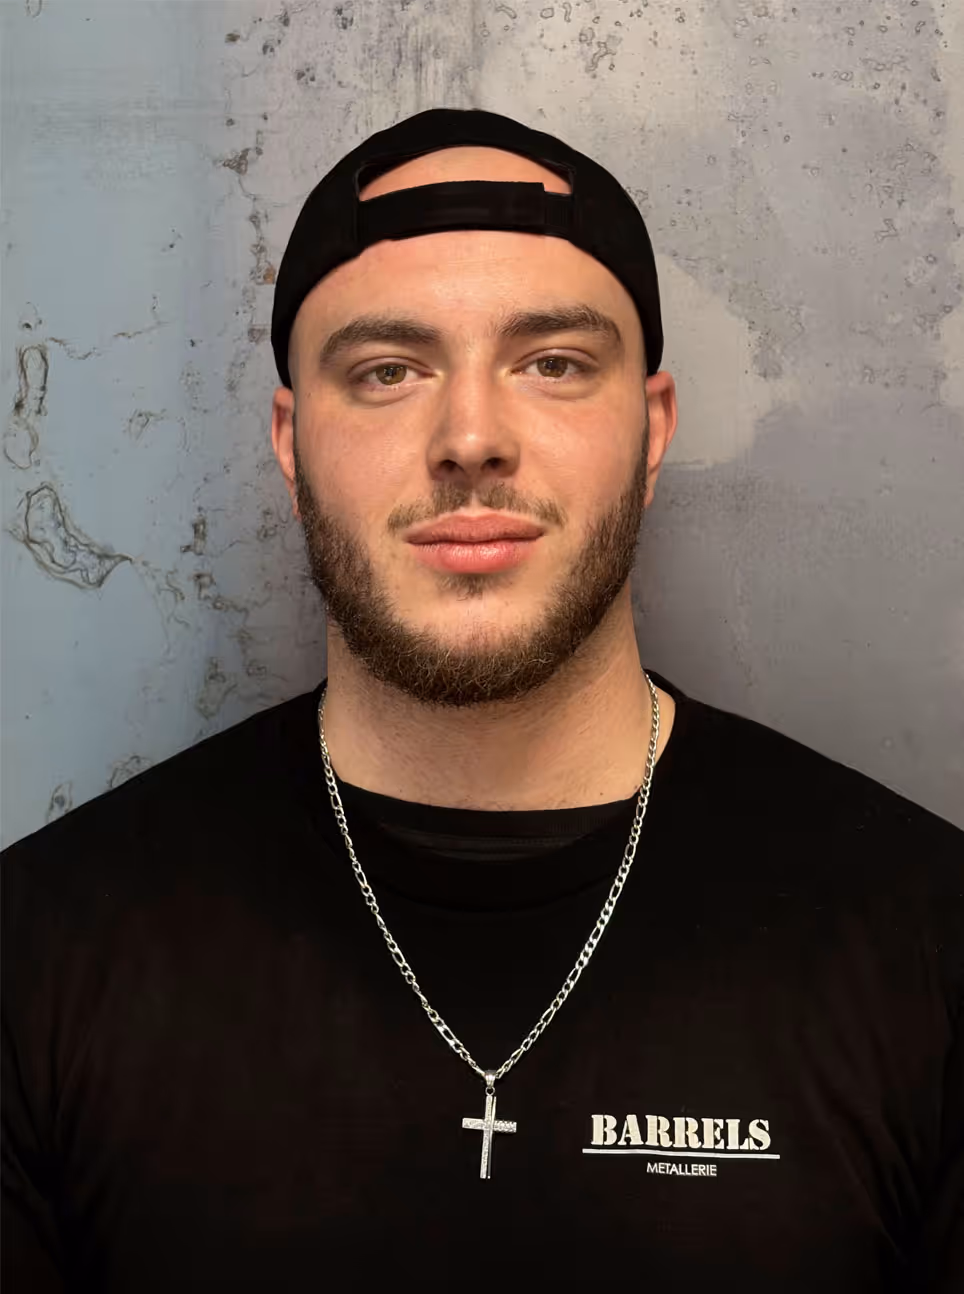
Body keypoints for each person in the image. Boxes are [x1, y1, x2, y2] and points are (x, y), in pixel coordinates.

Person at [2, 109, 961, 1293]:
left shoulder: (926, 942)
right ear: (293, 443)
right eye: (387, 371)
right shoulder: (40, 951)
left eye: (552, 362)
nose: (469, 438)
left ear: (650, 431)